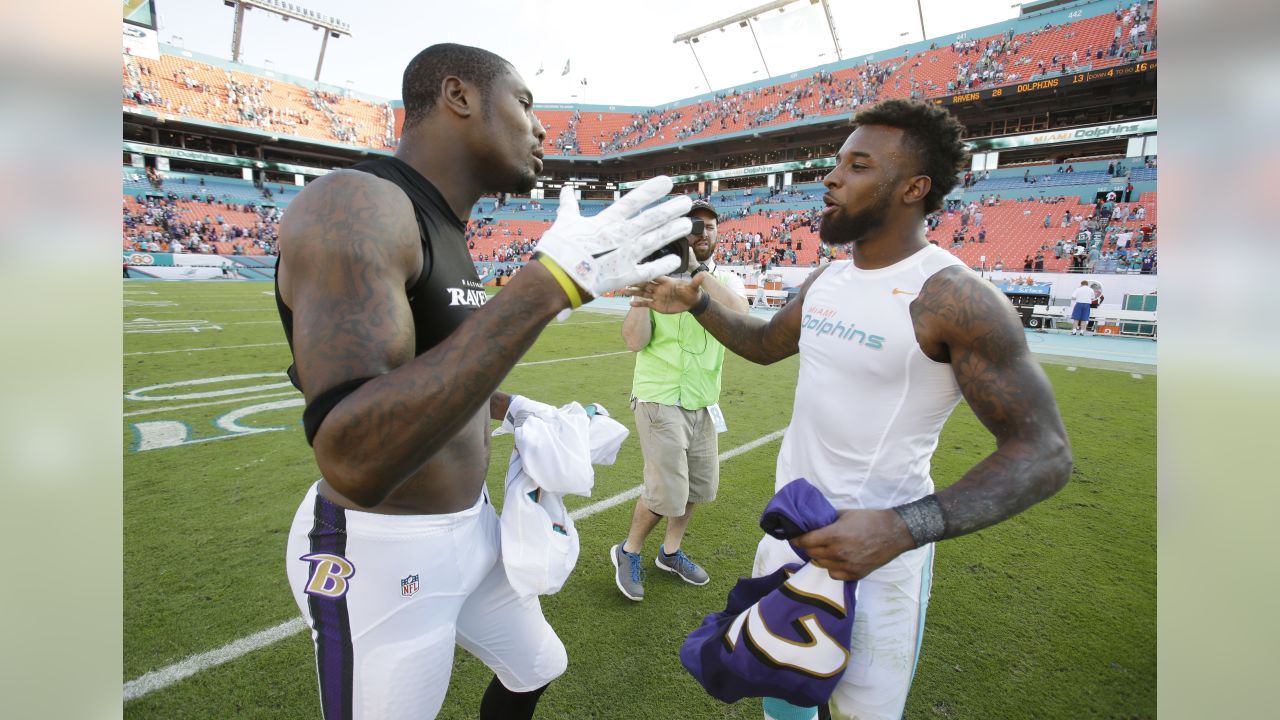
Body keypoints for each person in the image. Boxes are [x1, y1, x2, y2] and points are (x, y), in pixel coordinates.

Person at [274, 43, 692, 720]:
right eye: (524, 102)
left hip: (470, 529)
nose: (542, 127)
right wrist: (547, 285)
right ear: (459, 96)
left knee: (537, 667)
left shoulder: (442, 226)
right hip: (382, 552)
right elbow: (353, 456)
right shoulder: (353, 204)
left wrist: (517, 409)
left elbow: (416, 374)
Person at [626, 99, 1071, 720]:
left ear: (914, 188)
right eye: (837, 163)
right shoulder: (827, 280)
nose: (832, 178)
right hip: (789, 537)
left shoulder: (952, 297)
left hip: (880, 564)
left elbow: (1044, 452)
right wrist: (696, 304)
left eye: (857, 165)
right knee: (783, 697)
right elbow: (763, 344)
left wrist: (900, 529)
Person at [612, 200, 749, 601]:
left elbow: (741, 315)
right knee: (666, 492)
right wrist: (642, 299)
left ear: (718, 233)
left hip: (703, 400)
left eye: (709, 226)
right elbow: (634, 342)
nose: (701, 232)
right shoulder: (657, 280)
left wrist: (696, 274)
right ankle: (628, 551)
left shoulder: (726, 280)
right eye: (693, 226)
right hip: (660, 397)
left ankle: (669, 552)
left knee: (697, 489)